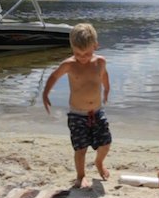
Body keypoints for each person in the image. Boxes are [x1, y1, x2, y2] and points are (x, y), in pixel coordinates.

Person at [42, 23, 111, 188]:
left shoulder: (100, 62)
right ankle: (81, 176)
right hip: (77, 114)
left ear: (95, 45)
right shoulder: (69, 64)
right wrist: (45, 93)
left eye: (86, 53)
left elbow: (104, 76)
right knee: (80, 148)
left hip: (97, 111)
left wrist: (107, 89)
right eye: (77, 53)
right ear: (72, 47)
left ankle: (99, 162)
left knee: (106, 142)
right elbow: (54, 76)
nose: (82, 57)